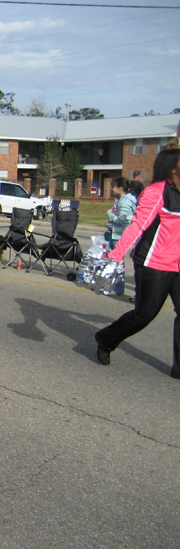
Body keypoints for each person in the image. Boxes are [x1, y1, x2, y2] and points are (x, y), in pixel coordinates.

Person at [95, 148, 180, 377]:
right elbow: (137, 226)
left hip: (178, 265)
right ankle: (106, 338)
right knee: (144, 314)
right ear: (173, 167)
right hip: (154, 263)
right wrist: (116, 254)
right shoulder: (157, 193)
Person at [105, 177, 137, 250]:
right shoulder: (119, 200)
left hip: (119, 236)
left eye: (113, 187)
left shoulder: (124, 202)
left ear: (120, 188)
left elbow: (121, 221)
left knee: (115, 259)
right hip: (116, 234)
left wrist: (109, 213)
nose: (112, 189)